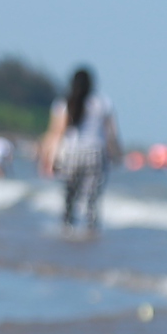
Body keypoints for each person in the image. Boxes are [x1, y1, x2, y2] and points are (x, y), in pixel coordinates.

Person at [38, 67, 117, 233]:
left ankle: (67, 228)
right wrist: (116, 154)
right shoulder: (102, 102)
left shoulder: (64, 103)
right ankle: (91, 231)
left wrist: (47, 158)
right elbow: (111, 133)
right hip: (95, 153)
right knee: (92, 199)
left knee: (69, 196)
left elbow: (55, 133)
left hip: (70, 153)